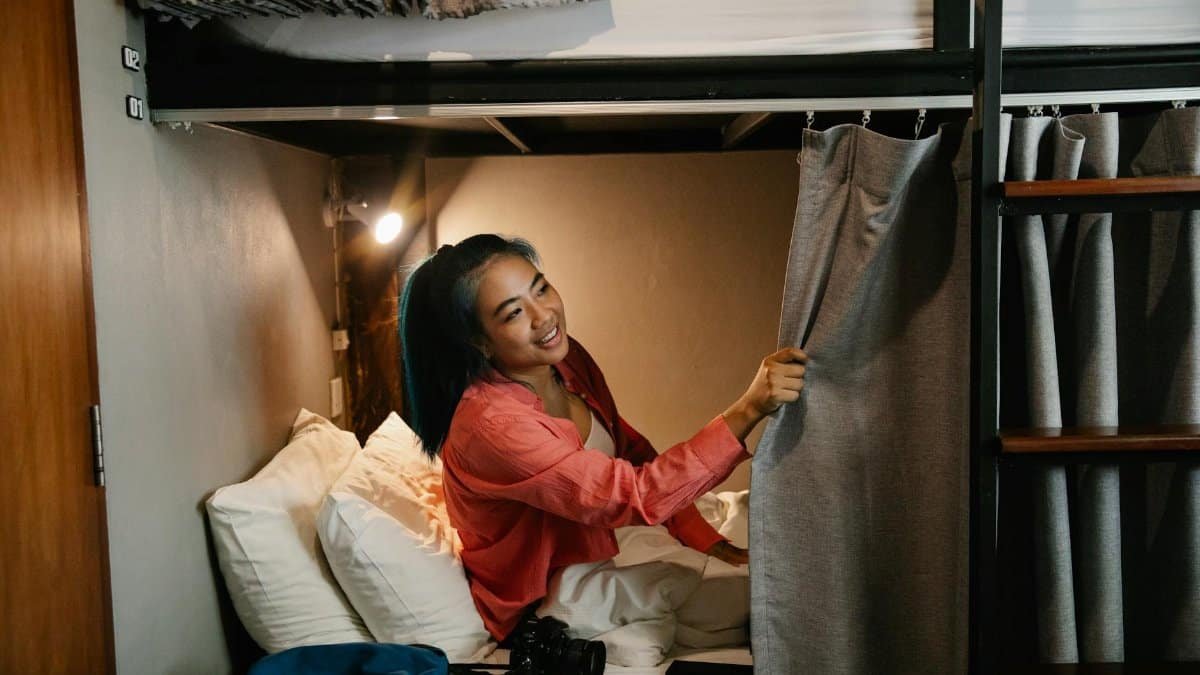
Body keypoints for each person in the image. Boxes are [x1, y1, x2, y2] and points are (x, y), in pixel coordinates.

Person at [399, 234, 807, 644]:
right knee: (780, 607)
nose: (544, 317)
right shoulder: (492, 427)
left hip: (606, 546)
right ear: (478, 341)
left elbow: (632, 455)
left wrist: (705, 540)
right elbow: (632, 493)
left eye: (541, 289)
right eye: (512, 313)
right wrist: (749, 409)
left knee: (778, 583)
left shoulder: (565, 358)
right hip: (546, 598)